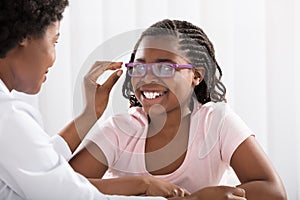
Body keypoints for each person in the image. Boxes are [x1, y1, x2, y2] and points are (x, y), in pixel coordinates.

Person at [69, 19, 287, 200]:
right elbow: (62, 188)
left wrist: (199, 198)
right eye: (140, 67)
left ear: (196, 75)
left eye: (165, 67)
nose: (147, 77)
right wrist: (142, 184)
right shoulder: (120, 129)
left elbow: (274, 191)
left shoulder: (216, 122)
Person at [0, 1, 168, 200]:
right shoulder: (7, 115)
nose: (54, 58)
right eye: (54, 41)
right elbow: (67, 194)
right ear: (23, 37)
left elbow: (35, 165)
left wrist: (90, 114)